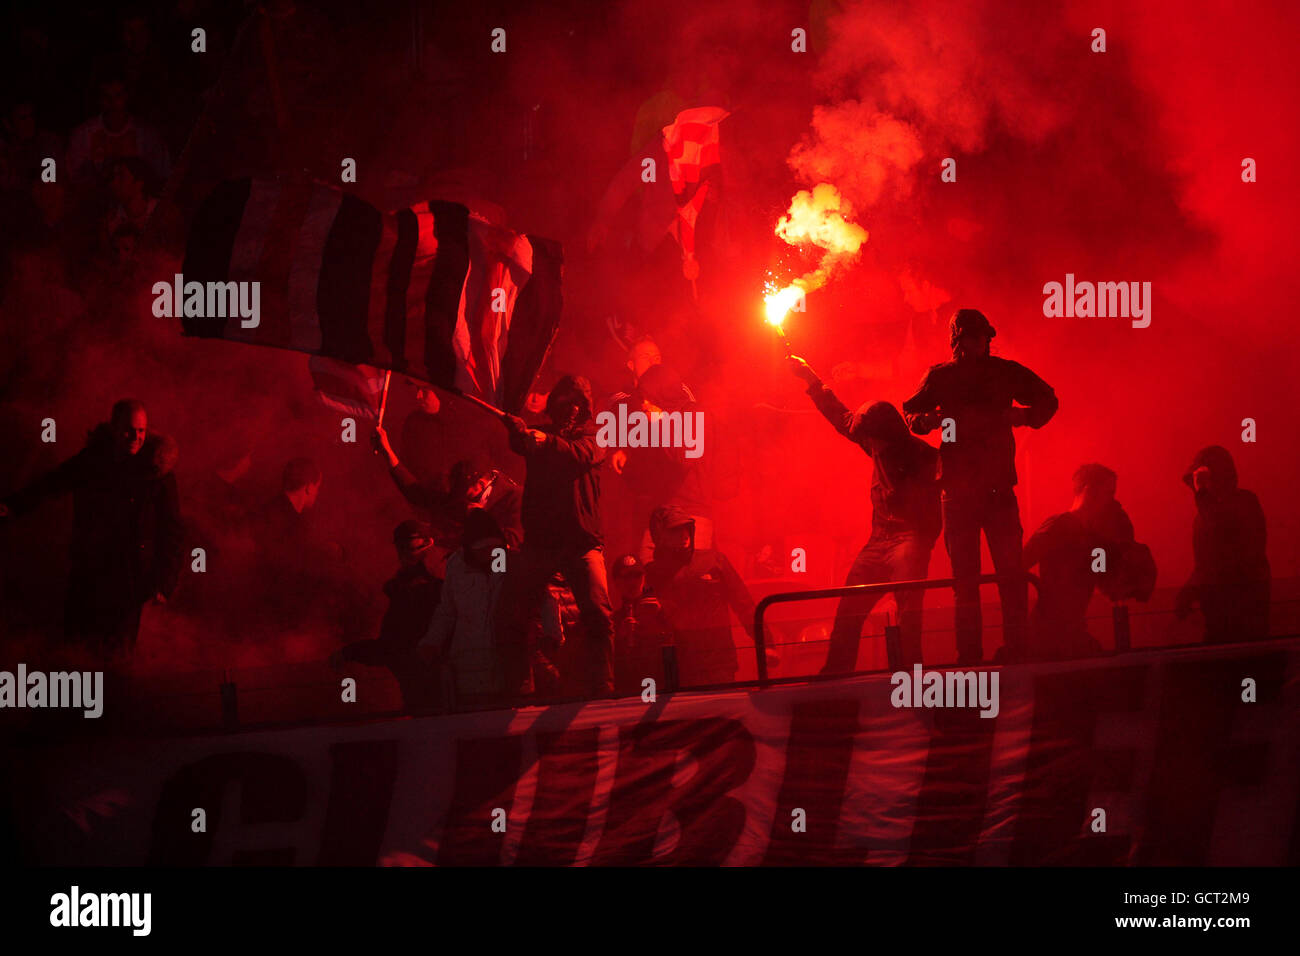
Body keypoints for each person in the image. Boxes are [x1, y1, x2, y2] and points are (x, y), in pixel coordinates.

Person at [902, 309, 1058, 664]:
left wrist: (1024, 416)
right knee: (969, 583)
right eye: (966, 338)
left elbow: (1048, 400)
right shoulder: (943, 376)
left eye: (976, 337)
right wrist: (925, 420)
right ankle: (972, 657)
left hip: (992, 489)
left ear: (986, 339)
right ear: (959, 340)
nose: (971, 344)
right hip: (961, 491)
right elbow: (910, 413)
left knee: (1006, 577)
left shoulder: (1001, 372)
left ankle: (1011, 652)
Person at [789, 354, 941, 673]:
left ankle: (913, 679)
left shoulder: (924, 457)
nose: (868, 443)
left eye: (871, 438)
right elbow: (841, 417)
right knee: (849, 612)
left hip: (910, 540)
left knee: (908, 615)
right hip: (878, 541)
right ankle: (835, 677)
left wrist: (924, 541)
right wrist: (812, 381)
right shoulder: (877, 444)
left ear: (886, 433)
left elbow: (950, 492)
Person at [0, 399, 183, 660]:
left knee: (117, 660)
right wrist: (13, 506)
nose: (136, 437)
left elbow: (173, 531)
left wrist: (165, 581)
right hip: (88, 575)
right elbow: (52, 483)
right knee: (75, 653)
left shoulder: (157, 473)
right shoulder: (93, 462)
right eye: (129, 430)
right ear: (114, 428)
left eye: (141, 431)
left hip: (129, 583)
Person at [496, 375, 615, 698]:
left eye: (578, 403)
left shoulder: (596, 436)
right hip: (542, 541)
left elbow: (580, 454)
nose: (572, 409)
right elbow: (521, 443)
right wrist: (516, 429)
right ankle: (521, 685)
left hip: (581, 540)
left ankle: (602, 684)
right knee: (515, 609)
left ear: (586, 407)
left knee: (597, 612)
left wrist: (541, 440)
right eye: (566, 402)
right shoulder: (541, 435)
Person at [1023, 464, 1139, 659]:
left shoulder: (1095, 538)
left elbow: (1104, 580)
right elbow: (1022, 561)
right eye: (1108, 492)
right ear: (1089, 490)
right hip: (1047, 632)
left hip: (1072, 630)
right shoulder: (1059, 526)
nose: (1112, 500)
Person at [332, 520, 442, 712]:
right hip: (435, 692)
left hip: (428, 695)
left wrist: (348, 653)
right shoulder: (429, 588)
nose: (403, 554)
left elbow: (390, 647)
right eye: (402, 547)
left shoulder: (420, 593)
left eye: (408, 546)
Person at [643, 505, 756, 686]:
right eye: (675, 530)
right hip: (677, 666)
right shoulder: (653, 574)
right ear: (660, 536)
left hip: (718, 662)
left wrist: (765, 641)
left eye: (686, 528)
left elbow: (744, 604)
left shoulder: (714, 561)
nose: (684, 535)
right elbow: (646, 623)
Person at [374, 423, 523, 550]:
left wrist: (480, 519)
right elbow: (417, 493)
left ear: (484, 482)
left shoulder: (515, 497)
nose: (462, 499)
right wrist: (387, 452)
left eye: (467, 493)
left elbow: (513, 542)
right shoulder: (461, 494)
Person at [1175, 445, 1269, 643]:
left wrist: (1202, 496)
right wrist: (1190, 591)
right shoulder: (1203, 515)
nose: (1199, 483)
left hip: (1245, 615)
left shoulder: (1245, 503)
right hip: (1217, 616)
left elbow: (1223, 539)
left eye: (1205, 476)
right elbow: (1206, 562)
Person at [423, 508, 509, 705]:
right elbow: (447, 610)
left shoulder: (513, 563)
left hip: (508, 671)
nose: (488, 554)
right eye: (482, 548)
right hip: (469, 672)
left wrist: (551, 634)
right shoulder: (457, 565)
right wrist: (431, 643)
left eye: (493, 548)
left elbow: (540, 599)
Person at [610, 553, 674, 693]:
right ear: (616, 582)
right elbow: (607, 664)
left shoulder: (663, 609)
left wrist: (661, 618)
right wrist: (620, 638)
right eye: (626, 577)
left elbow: (681, 646)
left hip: (662, 689)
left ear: (644, 578)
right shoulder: (611, 621)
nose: (632, 582)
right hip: (629, 693)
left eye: (637, 575)